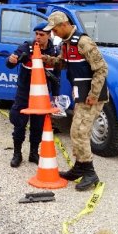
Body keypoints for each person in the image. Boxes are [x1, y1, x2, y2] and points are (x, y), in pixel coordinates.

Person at [42, 11, 108, 191]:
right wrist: (46, 59)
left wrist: (94, 94)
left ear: (64, 25)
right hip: (81, 93)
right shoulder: (66, 43)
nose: (53, 34)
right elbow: (63, 63)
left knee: (80, 132)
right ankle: (80, 167)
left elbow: (101, 69)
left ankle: (90, 173)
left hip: (91, 95)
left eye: (54, 30)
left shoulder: (83, 42)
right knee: (75, 131)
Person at [6, 23, 60, 167]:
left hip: (41, 95)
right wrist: (11, 60)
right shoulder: (27, 47)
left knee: (38, 125)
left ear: (49, 35)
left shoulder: (54, 51)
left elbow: (57, 75)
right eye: (36, 34)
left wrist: (55, 96)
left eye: (41, 34)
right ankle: (17, 153)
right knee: (19, 123)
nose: (38, 37)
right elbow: (11, 62)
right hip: (24, 92)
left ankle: (33, 153)